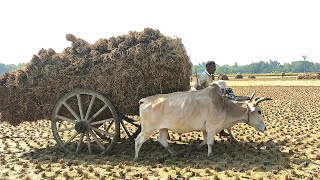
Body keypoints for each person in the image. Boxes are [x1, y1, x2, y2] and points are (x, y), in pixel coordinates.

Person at [195, 61, 229, 137]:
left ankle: (220, 129)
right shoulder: (204, 76)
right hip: (204, 98)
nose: (215, 69)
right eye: (213, 67)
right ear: (208, 67)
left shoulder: (210, 76)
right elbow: (198, 86)